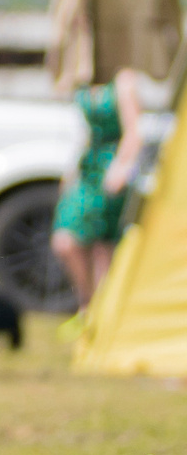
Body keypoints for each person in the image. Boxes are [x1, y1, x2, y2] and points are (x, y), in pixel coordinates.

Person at [53, 67, 151, 308]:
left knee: (102, 247)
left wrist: (121, 166)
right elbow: (84, 133)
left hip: (112, 165)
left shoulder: (123, 80)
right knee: (65, 240)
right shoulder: (84, 79)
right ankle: (87, 302)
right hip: (89, 165)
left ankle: (101, 311)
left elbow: (134, 131)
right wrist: (72, 171)